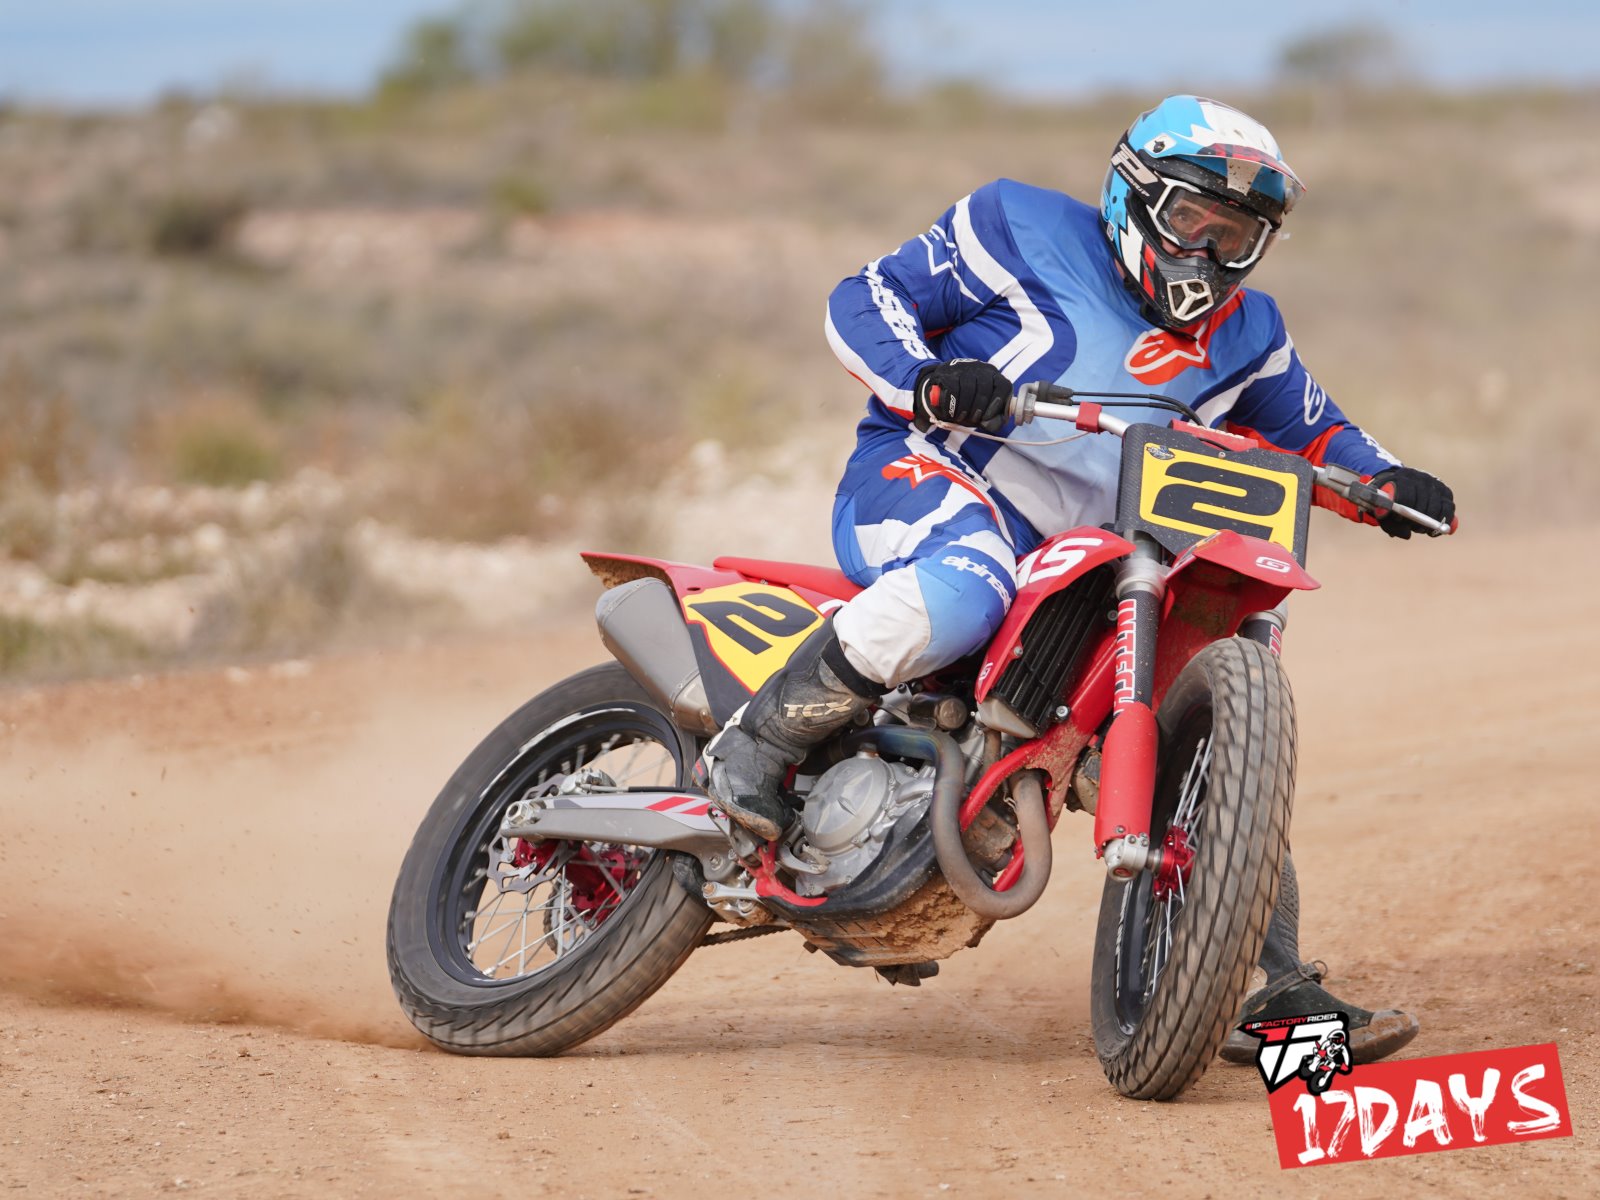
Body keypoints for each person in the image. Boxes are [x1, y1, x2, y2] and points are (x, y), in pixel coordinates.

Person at [702, 95, 1453, 1064]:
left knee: (1209, 747)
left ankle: (1271, 990)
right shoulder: (1013, 225)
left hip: (1099, 556)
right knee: (967, 585)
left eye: (1237, 236)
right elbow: (864, 298)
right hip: (936, 476)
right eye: (1193, 222)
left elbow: (1316, 430)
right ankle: (752, 751)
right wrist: (926, 379)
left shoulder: (1248, 331)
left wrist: (1385, 481)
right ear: (1133, 198)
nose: (1210, 254)